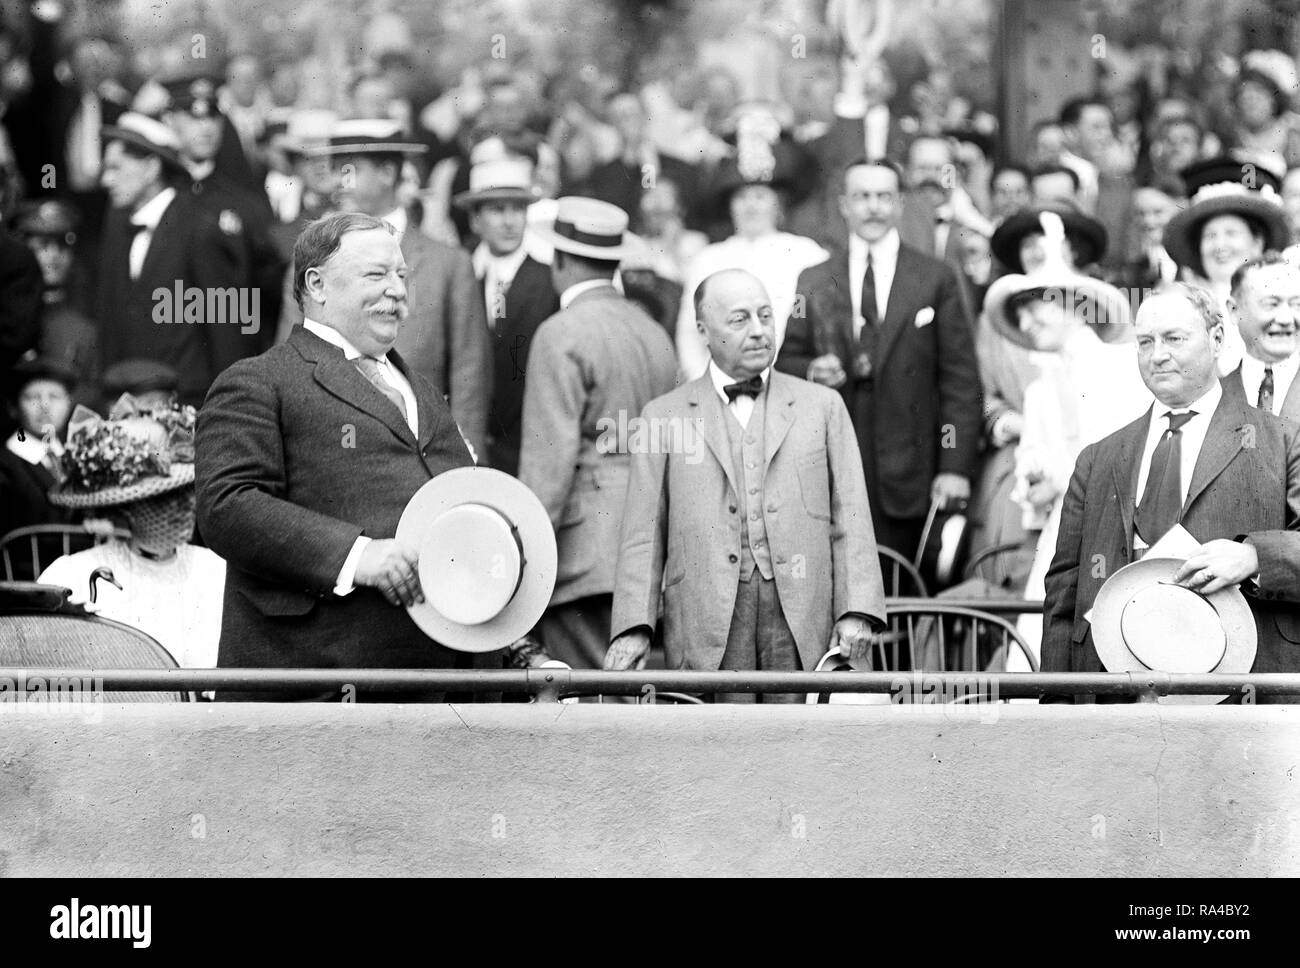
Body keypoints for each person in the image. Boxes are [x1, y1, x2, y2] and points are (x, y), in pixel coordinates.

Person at [195, 212, 492, 699]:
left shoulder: (423, 392)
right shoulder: (258, 380)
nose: (397, 290)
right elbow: (227, 505)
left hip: (445, 690)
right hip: (320, 696)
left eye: (401, 276)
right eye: (376, 275)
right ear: (317, 284)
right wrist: (358, 556)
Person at [607, 269, 886, 701]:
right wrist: (633, 626)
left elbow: (851, 515)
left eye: (765, 317)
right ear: (702, 330)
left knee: (801, 748)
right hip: (706, 615)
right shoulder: (663, 416)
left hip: (802, 614)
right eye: (740, 320)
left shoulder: (823, 406)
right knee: (719, 752)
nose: (758, 332)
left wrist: (857, 609)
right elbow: (643, 534)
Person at [1042, 284, 1300, 700]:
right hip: (1115, 696)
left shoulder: (1284, 441)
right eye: (1145, 342)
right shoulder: (1098, 458)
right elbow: (1062, 594)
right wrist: (1055, 710)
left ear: (1217, 340)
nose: (1157, 354)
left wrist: (1255, 556)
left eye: (1174, 338)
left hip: (1242, 696)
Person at [776, 157, 982, 556]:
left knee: (900, 586)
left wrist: (954, 469)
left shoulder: (935, 278)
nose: (873, 207)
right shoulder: (814, 279)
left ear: (900, 204)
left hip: (911, 464)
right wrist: (812, 369)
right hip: (836, 452)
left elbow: (960, 379)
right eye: (862, 196)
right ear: (843, 205)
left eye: (884, 196)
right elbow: (787, 360)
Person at [981, 217, 1151, 663]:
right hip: (1062, 536)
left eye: (1038, 305)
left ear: (1074, 303)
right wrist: (1039, 484)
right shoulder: (1038, 391)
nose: (1027, 319)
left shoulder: (1122, 369)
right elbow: (1034, 497)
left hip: (1121, 532)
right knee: (1046, 645)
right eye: (1020, 311)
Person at [518, 197, 677, 669]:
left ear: (560, 260)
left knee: (592, 715)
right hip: (652, 545)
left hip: (583, 553)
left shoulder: (560, 333)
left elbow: (549, 466)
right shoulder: (653, 331)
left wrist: (523, 555)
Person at [278, 119, 492, 461]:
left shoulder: (447, 264)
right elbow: (287, 362)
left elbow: (469, 378)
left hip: (421, 454)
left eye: (347, 169)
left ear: (388, 173)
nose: (336, 180)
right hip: (329, 455)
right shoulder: (308, 263)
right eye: (333, 169)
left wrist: (466, 467)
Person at [41, 398, 224, 672]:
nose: (184, 506)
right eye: (162, 499)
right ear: (127, 507)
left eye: (188, 492)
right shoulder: (74, 576)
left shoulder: (214, 569)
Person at [96, 113, 248, 408]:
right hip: (126, 403)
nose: (106, 179)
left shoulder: (200, 228)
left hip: (186, 403)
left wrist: (226, 410)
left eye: (116, 167)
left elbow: (226, 329)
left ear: (152, 167)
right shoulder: (116, 226)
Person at [675, 104, 826, 380]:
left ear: (777, 205)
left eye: (759, 197)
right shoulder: (709, 258)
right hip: (721, 388)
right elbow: (688, 332)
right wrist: (705, 385)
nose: (750, 207)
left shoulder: (806, 253)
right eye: (742, 198)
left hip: (790, 386)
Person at [453, 157, 558, 475]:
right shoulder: (461, 274)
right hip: (473, 449)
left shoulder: (549, 281)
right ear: (475, 219)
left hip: (529, 448)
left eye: (518, 209)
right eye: (498, 210)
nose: (510, 221)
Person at [1161, 157, 1290, 376]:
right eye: (1210, 236)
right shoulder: (1177, 307)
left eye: (1231, 233)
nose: (1220, 246)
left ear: (1257, 243)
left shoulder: (1288, 303)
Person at [13, 200, 98, 391]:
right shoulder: (9, 317)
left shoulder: (83, 330)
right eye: (42, 246)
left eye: (62, 246)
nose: (53, 256)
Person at [0, 357, 75, 549]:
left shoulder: (76, 456)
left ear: (69, 403)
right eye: (33, 397)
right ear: (13, 408)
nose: (44, 405)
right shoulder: (5, 464)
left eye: (54, 397)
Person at [1225, 253, 1300, 422]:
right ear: (1234, 310)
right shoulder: (1211, 396)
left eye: (1297, 305)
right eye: (1271, 304)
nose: (1286, 319)